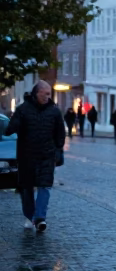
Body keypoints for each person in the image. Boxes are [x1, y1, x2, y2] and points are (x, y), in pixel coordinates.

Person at [5, 80, 65, 232]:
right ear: (37, 93)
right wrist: (12, 125)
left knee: (45, 186)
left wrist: (58, 151)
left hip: (47, 155)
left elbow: (60, 134)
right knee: (27, 187)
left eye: (49, 94)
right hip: (27, 155)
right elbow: (10, 129)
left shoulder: (54, 111)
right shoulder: (23, 110)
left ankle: (40, 218)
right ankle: (29, 215)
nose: (48, 97)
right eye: (45, 94)